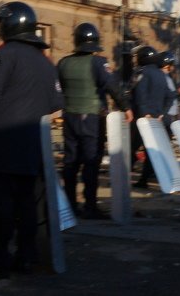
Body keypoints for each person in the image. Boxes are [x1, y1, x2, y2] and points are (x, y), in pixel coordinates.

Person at [0, 2, 63, 278]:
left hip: (3, 142)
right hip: (33, 145)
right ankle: (27, 257)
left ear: (10, 25)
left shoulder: (6, 53)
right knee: (27, 204)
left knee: (2, 205)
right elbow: (56, 102)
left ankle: (0, 261)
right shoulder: (45, 61)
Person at [57, 22, 130, 219]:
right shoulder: (98, 63)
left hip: (69, 117)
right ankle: (90, 206)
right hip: (91, 118)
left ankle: (70, 205)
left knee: (70, 162)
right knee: (91, 161)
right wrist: (126, 107)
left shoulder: (63, 63)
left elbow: (57, 88)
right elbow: (111, 85)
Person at [129, 45, 173, 188]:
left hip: (142, 117)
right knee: (150, 150)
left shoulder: (142, 72)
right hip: (156, 118)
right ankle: (144, 180)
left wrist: (143, 113)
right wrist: (162, 113)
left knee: (132, 147)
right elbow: (170, 96)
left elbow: (139, 94)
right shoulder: (162, 74)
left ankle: (122, 177)